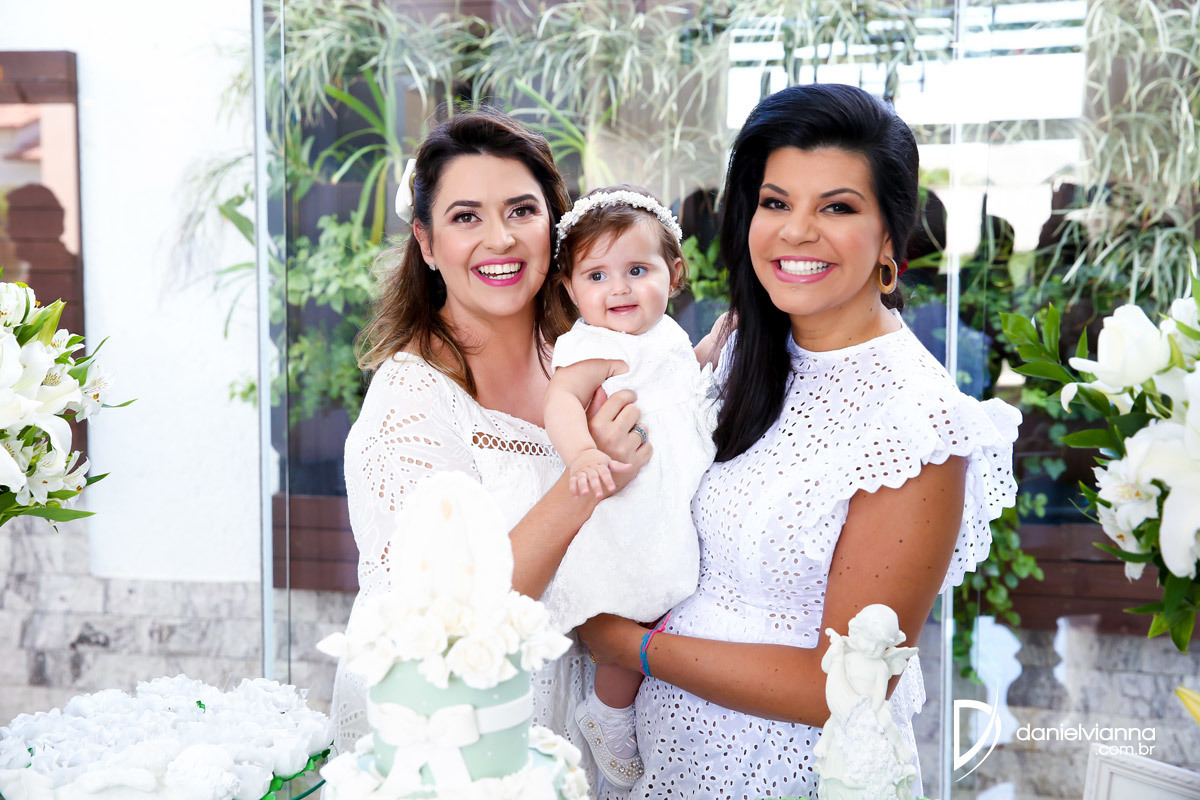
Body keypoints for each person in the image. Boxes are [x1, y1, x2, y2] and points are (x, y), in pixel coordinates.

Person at [579, 83, 1021, 799]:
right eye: (776, 202)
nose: (796, 232)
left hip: (784, 773)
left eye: (837, 207)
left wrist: (631, 648)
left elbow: (845, 684)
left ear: (890, 237)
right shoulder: (737, 350)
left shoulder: (918, 424)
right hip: (658, 761)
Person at [331, 108, 653, 776]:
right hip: (459, 753)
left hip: (579, 738)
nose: (500, 238)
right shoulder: (411, 401)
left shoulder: (582, 359)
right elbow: (452, 623)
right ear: (426, 243)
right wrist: (589, 477)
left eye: (521, 211)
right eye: (466, 217)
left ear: (553, 226)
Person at [540, 186, 717, 788]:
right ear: (570, 289)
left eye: (637, 270)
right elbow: (561, 402)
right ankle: (607, 710)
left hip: (673, 499)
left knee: (669, 604)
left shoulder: (665, 335)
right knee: (633, 607)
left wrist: (711, 348)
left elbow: (681, 382)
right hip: (632, 509)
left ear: (674, 274)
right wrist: (583, 453)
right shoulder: (596, 346)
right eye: (597, 275)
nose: (619, 289)